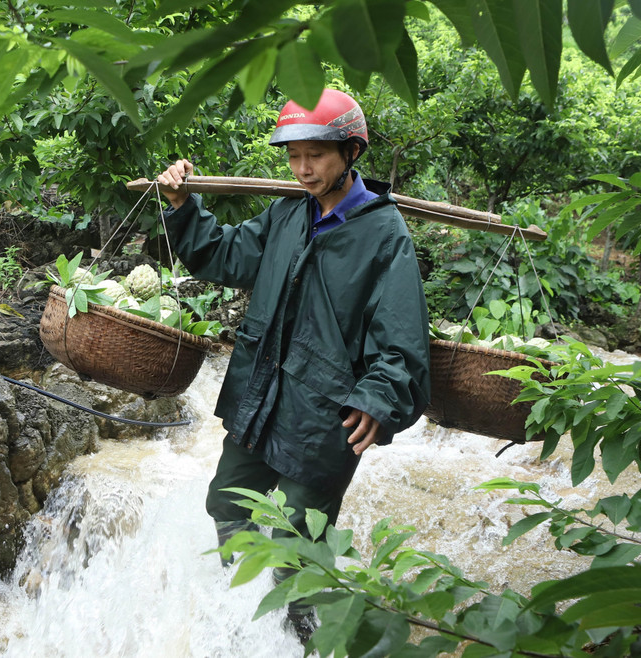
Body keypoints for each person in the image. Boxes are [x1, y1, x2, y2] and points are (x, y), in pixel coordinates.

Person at [155, 88, 431, 641]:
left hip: (325, 418)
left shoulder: (384, 234)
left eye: (317, 155)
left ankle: (309, 639)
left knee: (295, 545)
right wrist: (185, 208)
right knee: (227, 505)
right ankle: (238, 623)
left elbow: (400, 341)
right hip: (261, 398)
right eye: (294, 155)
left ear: (351, 153)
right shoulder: (286, 215)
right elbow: (225, 255)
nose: (303, 169)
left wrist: (378, 400)